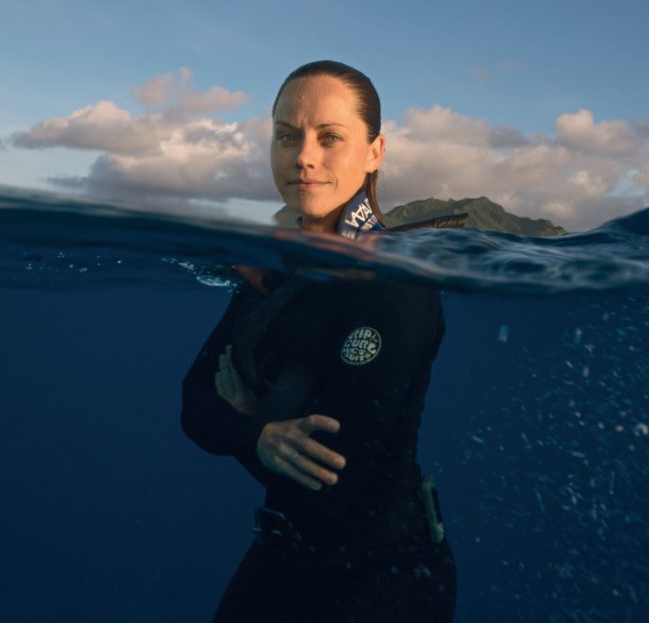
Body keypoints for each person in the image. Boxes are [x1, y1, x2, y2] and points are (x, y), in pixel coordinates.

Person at [180, 60, 457, 622]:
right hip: (280, 556)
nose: (304, 157)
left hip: (384, 575)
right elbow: (193, 403)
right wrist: (261, 435)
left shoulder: (397, 283)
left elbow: (338, 470)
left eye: (329, 137)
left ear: (375, 152)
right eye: (287, 136)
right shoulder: (269, 274)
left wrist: (245, 420)